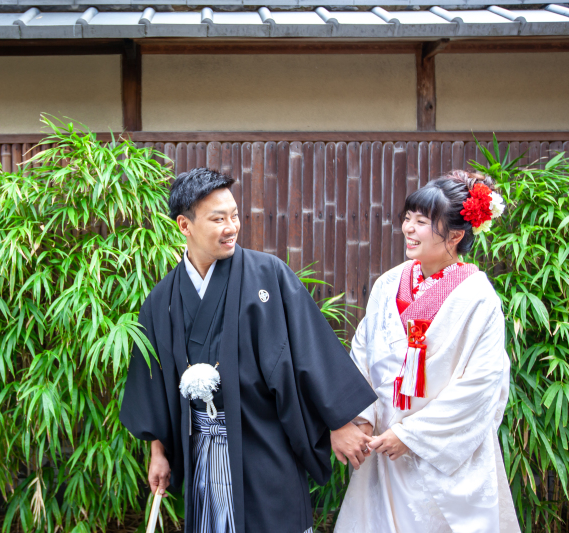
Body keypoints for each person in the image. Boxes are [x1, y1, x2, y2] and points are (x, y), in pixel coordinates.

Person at [120, 168, 378, 533]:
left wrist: (338, 421)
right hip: (200, 452)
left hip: (264, 441)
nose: (231, 226)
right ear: (184, 225)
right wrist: (158, 452)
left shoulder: (268, 275)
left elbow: (309, 348)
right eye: (218, 219)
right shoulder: (162, 300)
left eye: (235, 215)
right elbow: (155, 384)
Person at [334, 170, 520, 533]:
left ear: (455, 235)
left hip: (440, 450)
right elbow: (364, 356)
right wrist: (363, 417)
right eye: (407, 218)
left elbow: (482, 383)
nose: (408, 228)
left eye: (422, 221)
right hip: (384, 442)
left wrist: (412, 435)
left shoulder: (479, 297)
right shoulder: (390, 283)